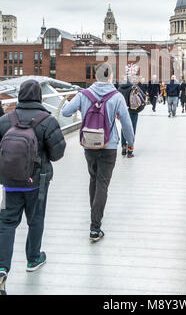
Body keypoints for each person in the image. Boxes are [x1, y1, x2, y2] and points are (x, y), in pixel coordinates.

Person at [0, 79, 66, 296]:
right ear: (39, 96)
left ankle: (1, 268)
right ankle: (33, 258)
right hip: (37, 182)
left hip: (10, 182)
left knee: (7, 223)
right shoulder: (47, 120)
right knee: (35, 219)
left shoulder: (5, 120)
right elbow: (57, 154)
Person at [62, 63, 134, 243]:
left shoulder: (83, 94)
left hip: (89, 144)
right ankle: (95, 227)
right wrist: (130, 143)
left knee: (93, 179)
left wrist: (81, 106)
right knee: (102, 183)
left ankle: (95, 214)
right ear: (110, 78)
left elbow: (64, 112)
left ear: (95, 76)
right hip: (109, 146)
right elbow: (126, 123)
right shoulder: (116, 96)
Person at [118, 77, 143, 158]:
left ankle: (123, 146)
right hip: (133, 111)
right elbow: (142, 97)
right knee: (132, 129)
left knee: (123, 128)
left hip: (123, 111)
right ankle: (130, 151)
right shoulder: (134, 87)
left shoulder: (119, 89)